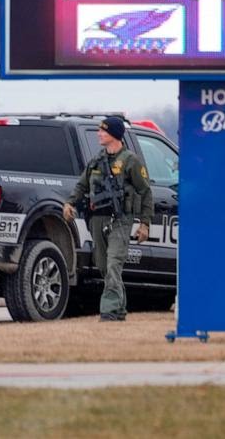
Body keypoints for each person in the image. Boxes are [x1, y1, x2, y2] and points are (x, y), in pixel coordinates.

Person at [63, 116, 153, 321]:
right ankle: (119, 308)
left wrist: (145, 224)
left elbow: (145, 192)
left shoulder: (131, 161)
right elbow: (81, 186)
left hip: (120, 220)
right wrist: (69, 203)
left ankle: (109, 312)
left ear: (114, 134)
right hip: (97, 219)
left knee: (114, 264)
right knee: (104, 266)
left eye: (103, 131)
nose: (99, 134)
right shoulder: (96, 161)